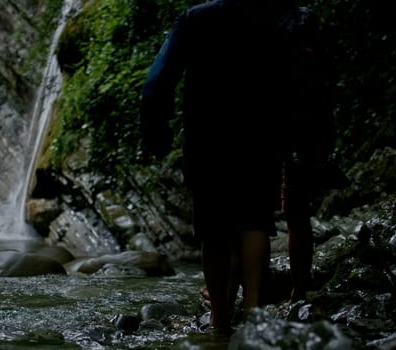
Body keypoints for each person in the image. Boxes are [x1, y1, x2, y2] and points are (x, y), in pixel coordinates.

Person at [139, 0, 335, 334]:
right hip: (261, 136)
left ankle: (219, 319)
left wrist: (154, 131)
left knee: (213, 228)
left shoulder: (194, 19)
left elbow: (158, 79)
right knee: (254, 221)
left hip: (207, 138)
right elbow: (304, 76)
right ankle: (253, 309)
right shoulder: (276, 15)